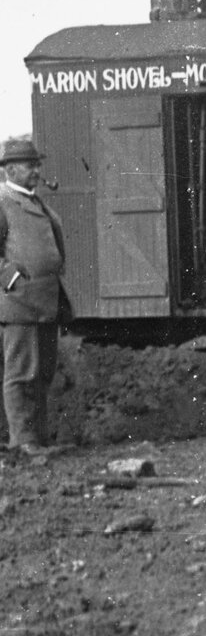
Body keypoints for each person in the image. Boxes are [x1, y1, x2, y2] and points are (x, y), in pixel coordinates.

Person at [0, 136, 67, 457]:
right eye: (30, 165)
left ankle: (39, 439)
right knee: (21, 373)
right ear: (10, 170)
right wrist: (9, 275)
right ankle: (22, 441)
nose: (36, 170)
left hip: (46, 301)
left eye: (38, 164)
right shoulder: (2, 202)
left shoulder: (37, 201)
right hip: (20, 302)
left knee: (43, 372)